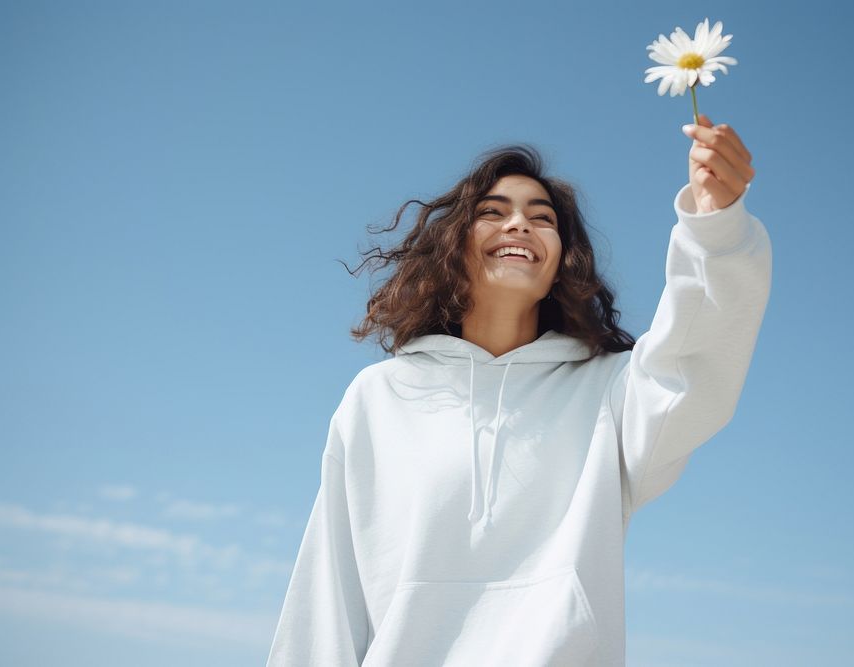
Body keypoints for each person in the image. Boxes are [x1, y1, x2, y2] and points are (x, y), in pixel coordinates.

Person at [266, 114, 772, 666]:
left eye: (542, 217)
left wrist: (716, 227)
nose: (518, 225)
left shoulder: (610, 392)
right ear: (454, 247)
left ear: (561, 263)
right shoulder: (380, 396)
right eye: (492, 212)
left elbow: (693, 360)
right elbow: (328, 591)